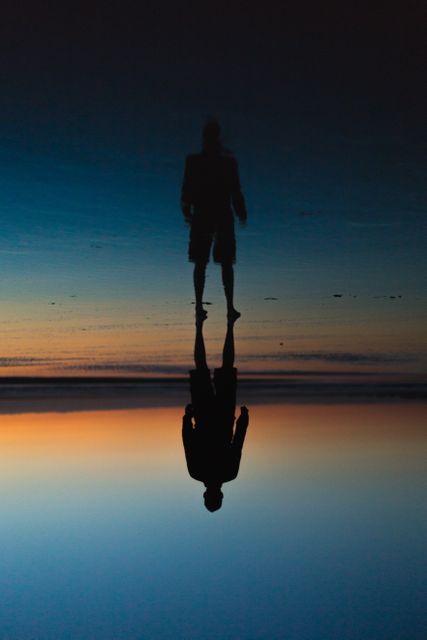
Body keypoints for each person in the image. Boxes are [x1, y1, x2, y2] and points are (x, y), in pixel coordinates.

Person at [181, 120, 247, 321]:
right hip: (221, 215)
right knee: (225, 263)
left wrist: (186, 210)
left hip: (203, 215)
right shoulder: (227, 163)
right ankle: (228, 308)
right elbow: (235, 191)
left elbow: (186, 189)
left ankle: (201, 307)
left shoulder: (195, 161)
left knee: (201, 262)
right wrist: (241, 211)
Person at [182, 317, 249, 512]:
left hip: (223, 415)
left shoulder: (229, 473)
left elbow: (238, 442)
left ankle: (227, 325)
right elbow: (188, 441)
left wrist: (244, 420)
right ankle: (200, 326)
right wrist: (187, 418)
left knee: (224, 367)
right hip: (205, 414)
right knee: (202, 367)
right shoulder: (196, 472)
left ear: (220, 495)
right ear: (206, 495)